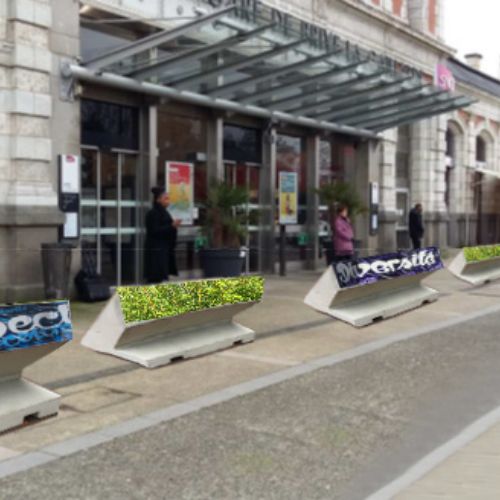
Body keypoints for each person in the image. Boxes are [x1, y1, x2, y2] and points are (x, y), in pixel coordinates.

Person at [144, 187, 181, 283]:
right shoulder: (153, 213)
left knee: (160, 276)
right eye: (166, 198)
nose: (168, 201)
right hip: (156, 250)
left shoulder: (164, 212)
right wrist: (171, 226)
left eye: (168, 198)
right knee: (155, 276)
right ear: (158, 200)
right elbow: (155, 230)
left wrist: (173, 227)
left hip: (163, 248)